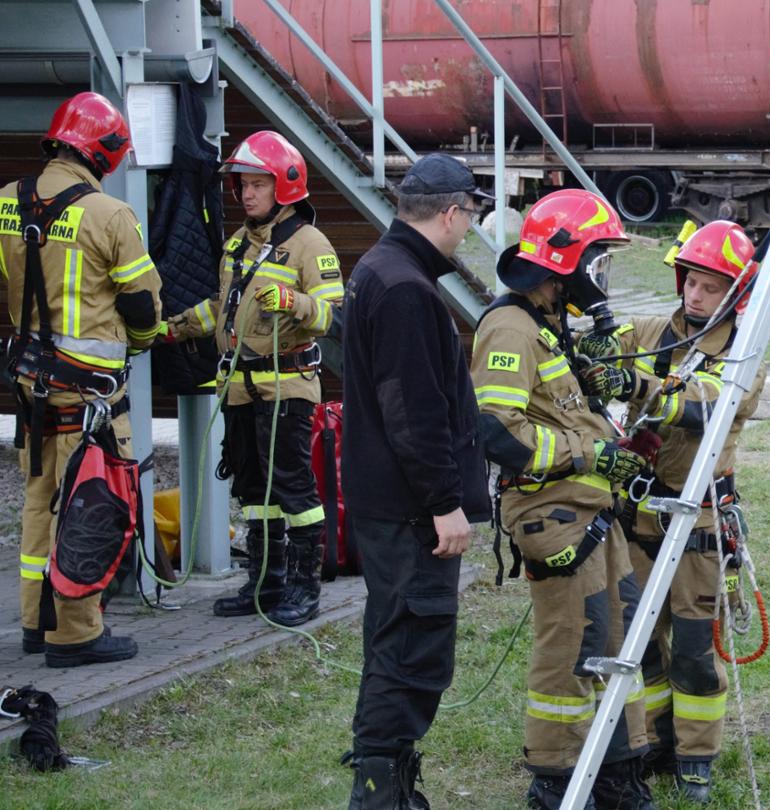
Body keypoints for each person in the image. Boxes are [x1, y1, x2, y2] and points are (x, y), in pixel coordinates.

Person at [471, 189, 654, 810]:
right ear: (563, 262)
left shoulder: (549, 325)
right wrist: (588, 453)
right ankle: (554, 779)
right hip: (555, 516)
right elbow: (496, 429)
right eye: (597, 261)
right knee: (570, 644)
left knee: (619, 636)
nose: (601, 278)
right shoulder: (509, 328)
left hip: (593, 513)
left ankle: (616, 770)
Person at [573, 219, 767, 804]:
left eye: (710, 287)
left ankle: (697, 755)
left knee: (693, 649)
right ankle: (656, 738)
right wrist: (593, 349)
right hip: (637, 518)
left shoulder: (743, 351)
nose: (695, 296)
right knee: (638, 639)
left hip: (698, 523)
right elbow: (602, 348)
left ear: (735, 293)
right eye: (690, 282)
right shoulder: (656, 330)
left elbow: (707, 405)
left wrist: (636, 385)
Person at [341, 153, 492, 809]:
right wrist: (444, 504)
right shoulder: (406, 288)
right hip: (410, 511)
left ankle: (390, 781)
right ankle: (378, 792)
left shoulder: (381, 266)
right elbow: (412, 413)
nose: (469, 231)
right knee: (412, 649)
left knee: (395, 639)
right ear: (452, 212)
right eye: (471, 216)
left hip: (389, 504)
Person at [5, 91, 162, 668]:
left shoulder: (5, 203)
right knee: (89, 502)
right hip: (90, 395)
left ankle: (33, 620)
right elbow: (144, 307)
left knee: (41, 499)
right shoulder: (110, 215)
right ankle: (73, 633)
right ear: (106, 153)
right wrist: (139, 346)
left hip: (30, 389)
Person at [166, 131, 342, 626]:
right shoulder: (238, 244)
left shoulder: (311, 245)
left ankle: (306, 587)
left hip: (287, 385)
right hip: (238, 387)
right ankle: (266, 582)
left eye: (256, 185)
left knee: (291, 487)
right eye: (242, 185)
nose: (245, 194)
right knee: (252, 489)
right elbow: (222, 309)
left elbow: (336, 317)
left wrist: (296, 304)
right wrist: (173, 329)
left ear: (284, 186)